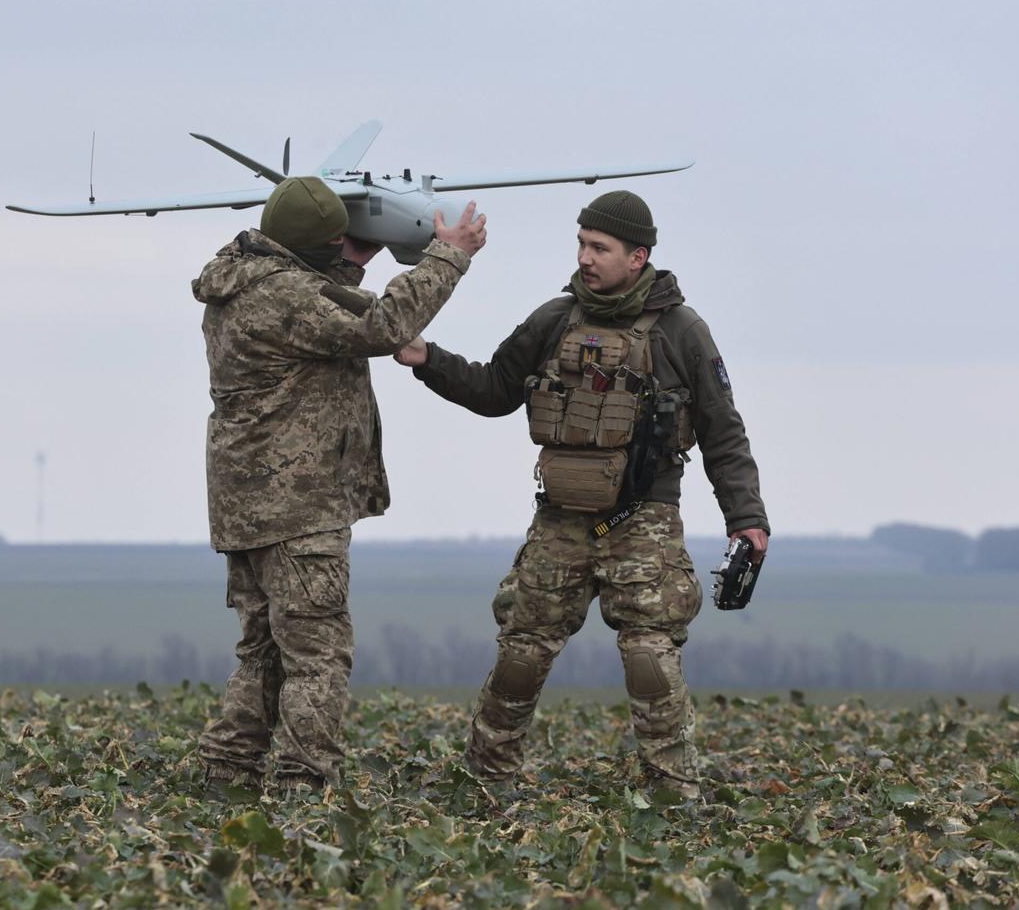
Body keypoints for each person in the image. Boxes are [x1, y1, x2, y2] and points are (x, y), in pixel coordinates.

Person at [394, 191, 767, 799]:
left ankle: (675, 796)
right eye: (582, 244)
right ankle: (485, 784)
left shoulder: (683, 331)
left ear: (638, 256)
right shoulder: (554, 319)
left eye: (601, 247)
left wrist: (746, 518)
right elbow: (493, 389)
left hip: (643, 521)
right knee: (521, 654)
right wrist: (426, 358)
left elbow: (724, 431)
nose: (586, 258)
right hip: (560, 521)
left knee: (650, 659)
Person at [193, 176, 487, 794]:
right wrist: (449, 255)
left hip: (248, 506)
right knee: (317, 655)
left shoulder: (240, 282)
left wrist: (346, 265)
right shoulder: (288, 300)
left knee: (265, 651)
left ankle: (228, 769)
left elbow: (322, 313)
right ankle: (304, 782)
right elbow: (380, 326)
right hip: (297, 506)